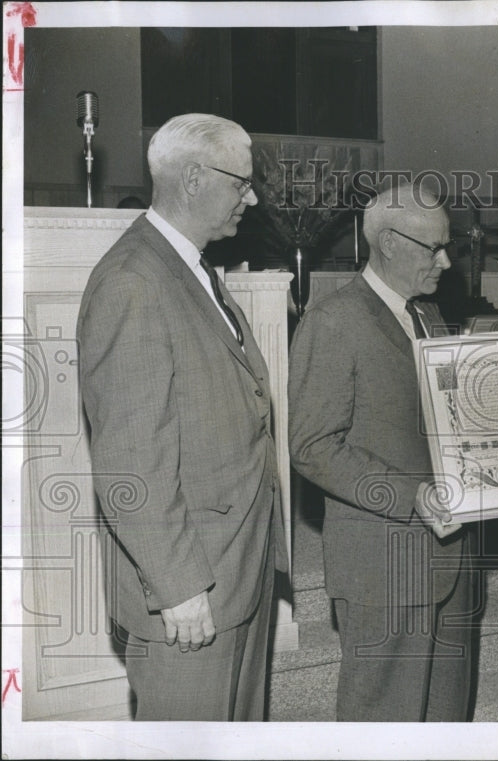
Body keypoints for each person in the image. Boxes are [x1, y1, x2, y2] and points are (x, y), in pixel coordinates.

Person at [78, 113, 287, 721]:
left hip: (235, 570)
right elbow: (129, 461)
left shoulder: (188, 267)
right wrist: (178, 588)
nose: (250, 198)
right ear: (195, 179)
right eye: (241, 183)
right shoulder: (133, 282)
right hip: (190, 592)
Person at [287, 183, 473, 721]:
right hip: (383, 563)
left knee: (445, 720)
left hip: (451, 555)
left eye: (447, 246)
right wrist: (412, 496)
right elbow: (312, 445)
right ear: (389, 243)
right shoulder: (334, 321)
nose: (445, 260)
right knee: (384, 725)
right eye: (433, 248)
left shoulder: (428, 315)